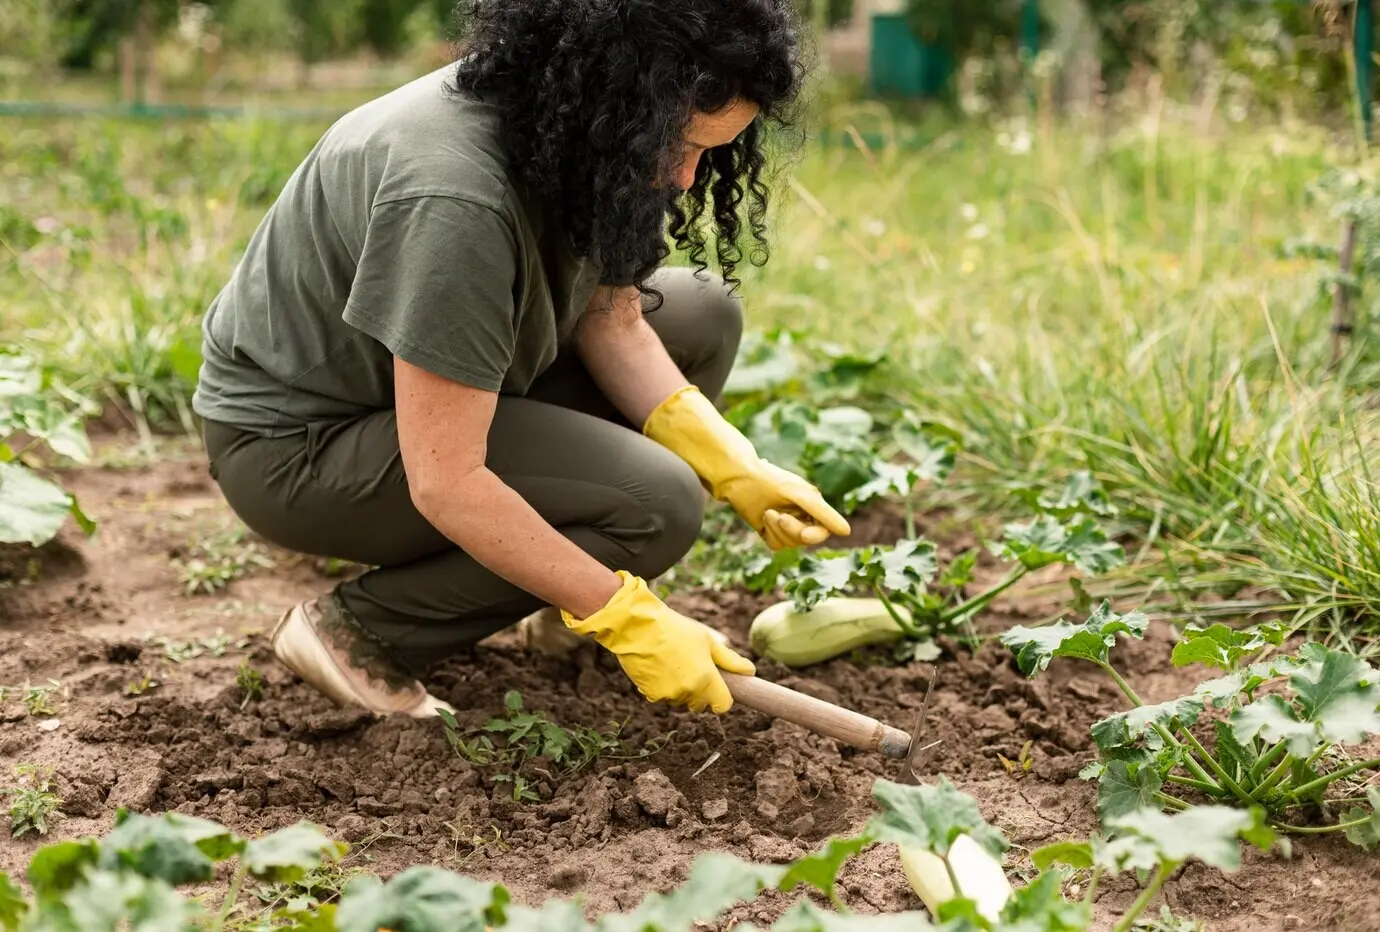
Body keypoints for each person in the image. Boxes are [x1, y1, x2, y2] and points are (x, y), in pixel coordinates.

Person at [191, 0, 850, 723]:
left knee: (701, 314)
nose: (688, 178)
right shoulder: (453, 196)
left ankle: (556, 590)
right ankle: (363, 634)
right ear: (624, 96)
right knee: (657, 501)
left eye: (709, 152)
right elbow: (448, 480)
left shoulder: (585, 126)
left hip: (430, 395)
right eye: (681, 145)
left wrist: (731, 460)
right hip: (298, 448)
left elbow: (614, 320)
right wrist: (623, 614)